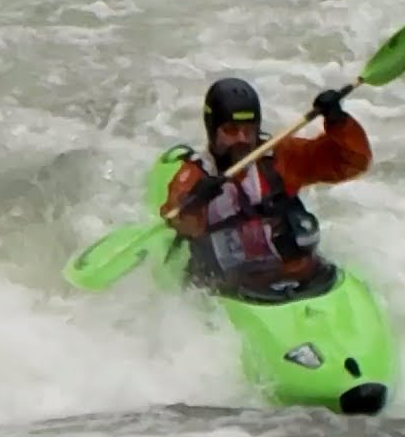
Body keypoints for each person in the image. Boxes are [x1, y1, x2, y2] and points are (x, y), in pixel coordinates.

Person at [158, 77, 372, 297]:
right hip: (235, 288)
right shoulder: (194, 176)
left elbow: (353, 162)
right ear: (213, 130)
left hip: (293, 279)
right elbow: (181, 223)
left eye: (248, 130)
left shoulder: (280, 159)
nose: (242, 139)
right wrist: (196, 200)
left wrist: (338, 122)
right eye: (231, 130)